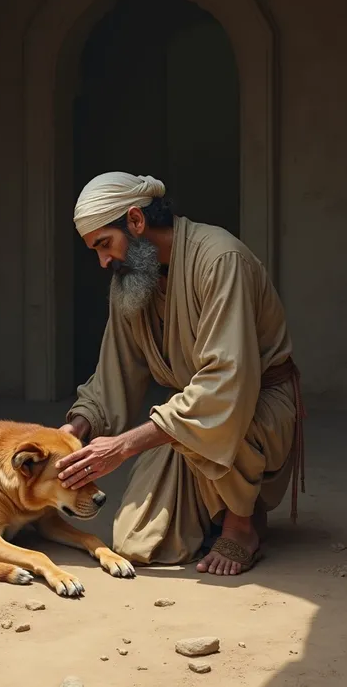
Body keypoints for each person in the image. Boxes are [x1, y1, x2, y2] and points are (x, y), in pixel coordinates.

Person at [56, 171, 305, 576]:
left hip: (253, 410)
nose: (103, 262)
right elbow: (114, 371)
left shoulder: (222, 259)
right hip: (192, 415)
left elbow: (227, 386)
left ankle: (241, 524)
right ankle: (222, 504)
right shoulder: (131, 279)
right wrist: (77, 429)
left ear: (135, 221)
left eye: (105, 244)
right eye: (95, 251)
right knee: (138, 542)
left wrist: (123, 446)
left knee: (221, 409)